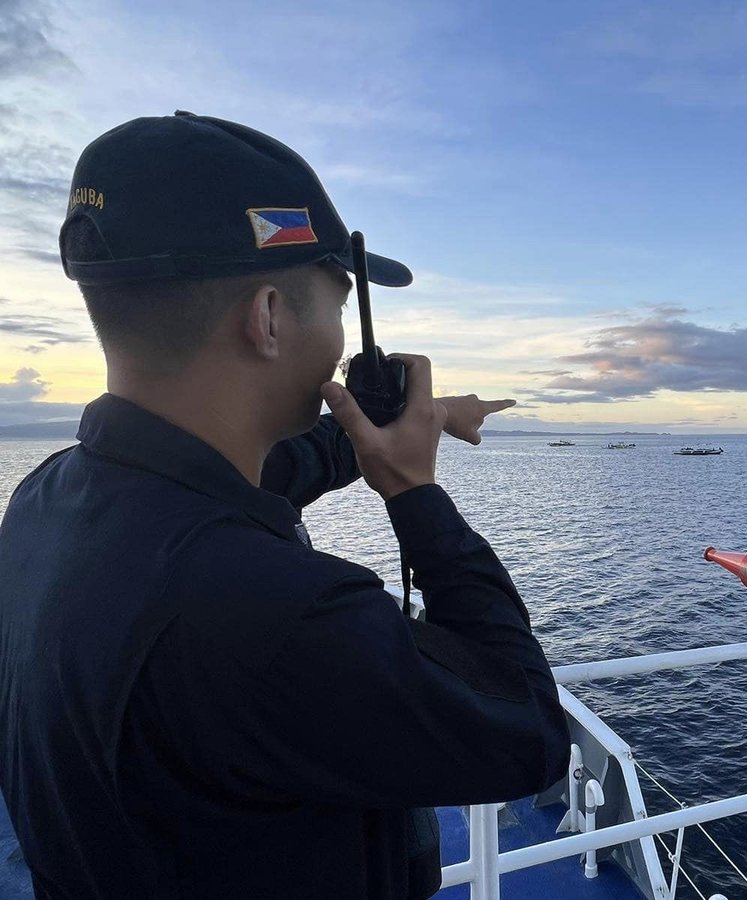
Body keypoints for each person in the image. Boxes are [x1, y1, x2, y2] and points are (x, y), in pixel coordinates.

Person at [0, 111, 571, 899]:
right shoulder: (271, 615)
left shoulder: (51, 499)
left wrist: (432, 415)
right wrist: (416, 493)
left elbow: (274, 469)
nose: (342, 334)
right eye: (338, 306)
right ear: (268, 318)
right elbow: (529, 731)